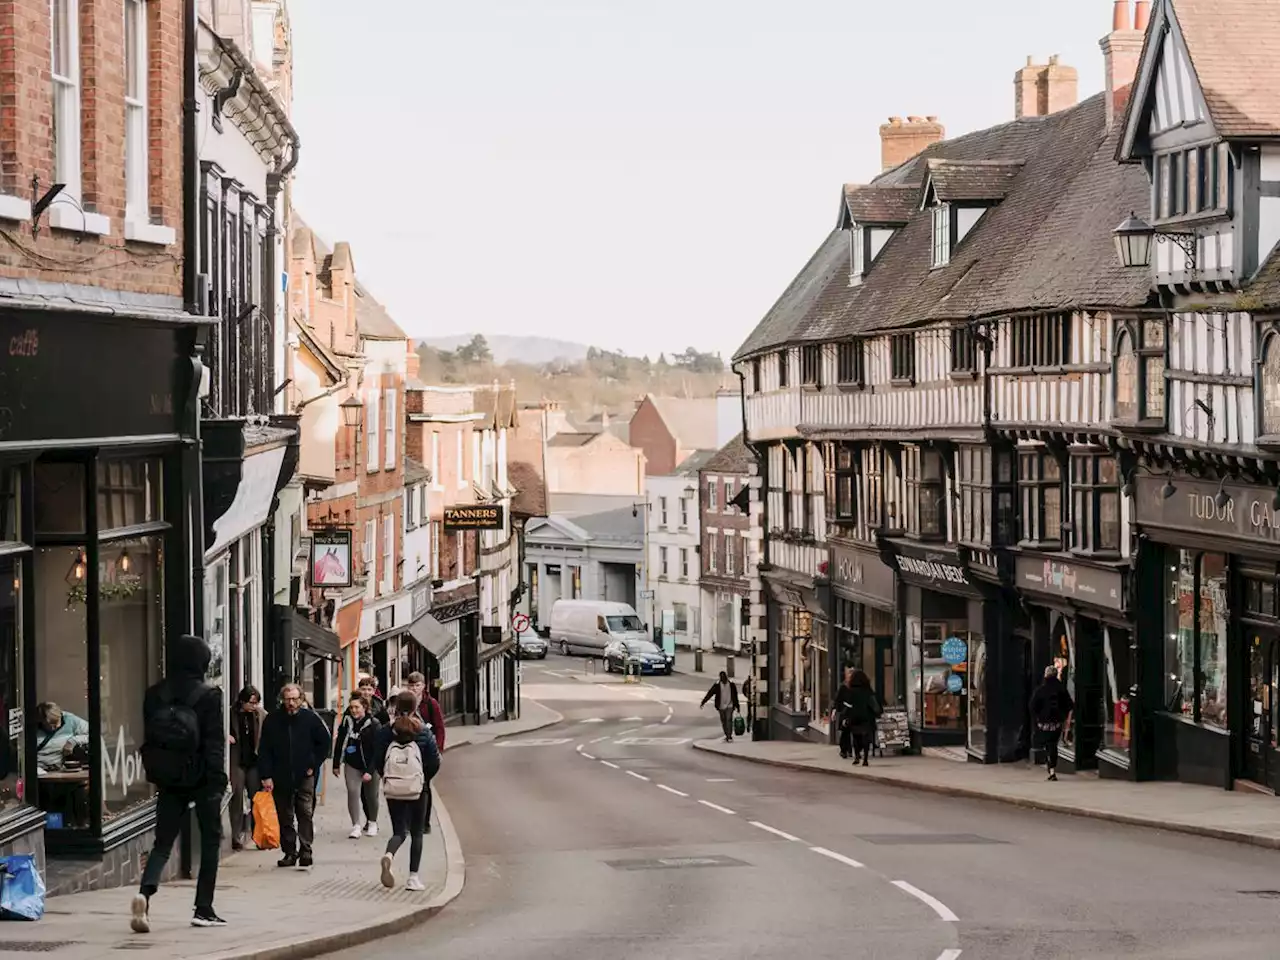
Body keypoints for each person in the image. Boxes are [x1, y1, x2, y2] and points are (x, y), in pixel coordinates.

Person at [131, 634, 227, 932]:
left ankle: (145, 894)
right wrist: (217, 779)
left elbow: (151, 738)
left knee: (162, 842)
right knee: (211, 840)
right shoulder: (209, 695)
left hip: (169, 777)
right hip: (202, 778)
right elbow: (213, 743)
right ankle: (204, 908)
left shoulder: (154, 693)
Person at [257, 683, 332, 869]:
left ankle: (306, 850)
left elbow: (324, 743)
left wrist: (313, 764)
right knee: (285, 815)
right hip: (280, 774)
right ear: (282, 699)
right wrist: (266, 775)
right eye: (287, 699)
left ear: (301, 699)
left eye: (294, 699)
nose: (291, 703)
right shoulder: (272, 720)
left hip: (304, 774)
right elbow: (264, 749)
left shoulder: (310, 719)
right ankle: (289, 852)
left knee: (305, 812)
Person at [372, 693, 441, 892]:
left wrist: (386, 776)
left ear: (395, 706)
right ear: (415, 706)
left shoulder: (386, 732)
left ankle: (389, 855)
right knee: (417, 832)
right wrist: (422, 779)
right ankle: (413, 878)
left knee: (399, 831)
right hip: (418, 789)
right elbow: (434, 761)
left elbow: (377, 759)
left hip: (394, 788)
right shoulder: (423, 731)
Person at [333, 693, 381, 839]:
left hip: (369, 764)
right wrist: (336, 764)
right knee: (353, 792)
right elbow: (340, 741)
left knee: (371, 795)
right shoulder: (346, 721)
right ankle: (356, 825)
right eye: (352, 707)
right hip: (352, 763)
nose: (354, 710)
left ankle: (372, 822)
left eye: (357, 707)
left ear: (365, 708)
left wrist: (370, 771)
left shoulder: (374, 724)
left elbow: (378, 750)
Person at [405, 672, 445, 832]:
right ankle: (409, 821)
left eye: (418, 685)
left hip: (427, 749)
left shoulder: (431, 704)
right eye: (412, 685)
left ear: (423, 686)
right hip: (409, 749)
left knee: (425, 786)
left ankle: (424, 823)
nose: (415, 688)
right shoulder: (406, 702)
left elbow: (440, 727)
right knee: (408, 786)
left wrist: (439, 749)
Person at [227, 686, 266, 850]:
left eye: (257, 702)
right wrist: (225, 735)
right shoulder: (231, 714)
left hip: (254, 761)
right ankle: (236, 836)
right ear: (242, 701)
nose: (254, 706)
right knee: (236, 797)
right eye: (251, 702)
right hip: (237, 760)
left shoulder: (261, 715)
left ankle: (258, 835)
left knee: (256, 798)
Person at [1030, 664, 1075, 782]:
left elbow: (1033, 706)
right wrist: (1063, 716)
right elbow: (1069, 704)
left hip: (1044, 724)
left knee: (1047, 745)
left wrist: (1038, 718)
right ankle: (1052, 767)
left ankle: (1051, 768)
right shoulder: (1061, 689)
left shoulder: (1041, 690)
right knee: (1052, 744)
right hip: (1057, 723)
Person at [832, 667, 881, 766]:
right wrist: (877, 713)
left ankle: (857, 756)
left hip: (854, 717)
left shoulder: (851, 691)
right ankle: (866, 759)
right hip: (867, 717)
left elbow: (848, 705)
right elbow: (874, 704)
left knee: (855, 737)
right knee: (866, 737)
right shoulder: (868, 691)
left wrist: (844, 717)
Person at [34, 702, 90, 770]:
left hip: (58, 767)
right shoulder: (34, 726)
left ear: (60, 716)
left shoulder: (70, 720)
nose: (52, 728)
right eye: (47, 725)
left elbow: (94, 734)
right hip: (37, 768)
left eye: (55, 723)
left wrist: (73, 741)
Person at [699, 671, 740, 742]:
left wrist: (737, 706)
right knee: (724, 721)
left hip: (730, 705)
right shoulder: (717, 685)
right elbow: (710, 693)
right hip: (721, 706)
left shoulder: (731, 684)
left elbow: (735, 696)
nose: (723, 679)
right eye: (721, 678)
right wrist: (703, 702)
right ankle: (727, 734)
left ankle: (729, 736)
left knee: (729, 720)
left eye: (724, 678)